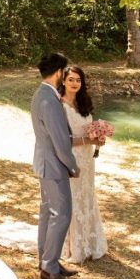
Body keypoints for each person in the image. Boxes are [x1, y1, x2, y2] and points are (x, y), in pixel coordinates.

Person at [31, 52, 80, 279]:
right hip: (53, 166)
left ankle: (47, 260)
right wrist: (72, 165)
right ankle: (49, 269)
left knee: (47, 214)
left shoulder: (41, 94)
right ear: (59, 72)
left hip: (44, 163)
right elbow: (60, 141)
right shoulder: (49, 100)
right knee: (61, 215)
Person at [58, 66, 107, 263]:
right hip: (72, 157)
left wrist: (99, 136)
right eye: (71, 80)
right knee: (74, 198)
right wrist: (90, 141)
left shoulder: (83, 102)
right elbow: (64, 139)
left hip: (87, 159)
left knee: (87, 194)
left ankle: (90, 240)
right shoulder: (60, 106)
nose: (75, 83)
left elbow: (88, 130)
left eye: (78, 80)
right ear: (63, 81)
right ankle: (73, 245)